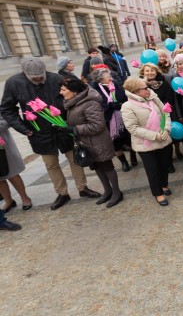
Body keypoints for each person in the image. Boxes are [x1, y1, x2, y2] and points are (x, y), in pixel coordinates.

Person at [0, 58, 101, 210]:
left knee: (74, 159)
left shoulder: (57, 79)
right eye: (35, 78)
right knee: (51, 164)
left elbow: (73, 97)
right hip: (38, 132)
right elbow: (7, 109)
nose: (40, 79)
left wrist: (69, 120)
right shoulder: (14, 83)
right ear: (25, 74)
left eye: (42, 76)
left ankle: (82, 187)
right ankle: (62, 193)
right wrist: (24, 128)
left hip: (63, 128)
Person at [60, 77, 123, 208]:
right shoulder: (74, 102)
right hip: (87, 142)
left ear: (75, 91)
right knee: (97, 167)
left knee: (106, 167)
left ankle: (117, 192)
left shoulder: (89, 103)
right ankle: (108, 191)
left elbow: (97, 125)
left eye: (63, 89)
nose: (61, 92)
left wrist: (74, 129)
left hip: (98, 142)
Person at [121, 77, 173, 206]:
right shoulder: (127, 106)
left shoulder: (153, 97)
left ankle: (164, 185)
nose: (148, 89)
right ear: (135, 91)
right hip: (146, 144)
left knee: (164, 165)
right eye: (145, 88)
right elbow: (132, 128)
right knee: (153, 170)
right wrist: (155, 136)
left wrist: (166, 129)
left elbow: (165, 112)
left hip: (163, 138)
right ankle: (158, 194)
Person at [90, 68, 138, 172]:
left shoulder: (114, 83)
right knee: (116, 143)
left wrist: (119, 103)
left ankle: (132, 154)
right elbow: (98, 106)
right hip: (109, 120)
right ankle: (123, 162)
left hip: (122, 116)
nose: (110, 78)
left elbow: (123, 96)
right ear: (101, 80)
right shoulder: (95, 90)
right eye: (108, 77)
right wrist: (109, 106)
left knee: (129, 138)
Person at [139, 63, 180, 172]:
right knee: (154, 139)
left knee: (166, 139)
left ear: (157, 71)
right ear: (143, 72)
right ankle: (158, 163)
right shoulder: (139, 85)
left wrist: (161, 109)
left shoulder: (164, 82)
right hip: (148, 117)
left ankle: (169, 163)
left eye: (152, 70)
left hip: (163, 114)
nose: (150, 72)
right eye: (147, 71)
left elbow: (169, 98)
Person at [0, 115, 32, 212]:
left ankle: (25, 198)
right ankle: (8, 201)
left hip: (3, 147)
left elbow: (7, 120)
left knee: (12, 173)